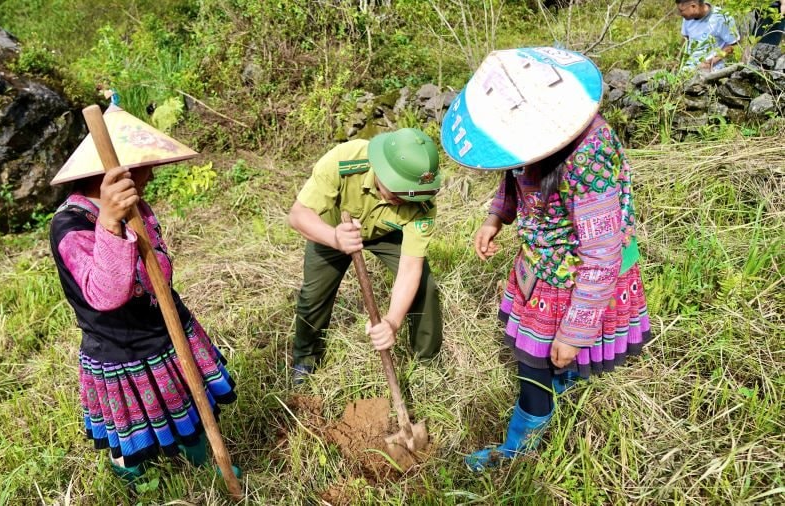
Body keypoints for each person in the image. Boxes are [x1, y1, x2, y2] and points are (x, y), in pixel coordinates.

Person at [441, 47, 651, 470]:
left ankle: (518, 450)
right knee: (540, 360)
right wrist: (495, 217)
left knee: (535, 368)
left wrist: (576, 330)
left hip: (576, 278)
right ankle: (553, 392)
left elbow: (602, 252)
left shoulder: (589, 156)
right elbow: (514, 176)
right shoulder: (524, 143)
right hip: (540, 263)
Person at [49, 153, 236, 481]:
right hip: (123, 348)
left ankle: (199, 454)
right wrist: (109, 223)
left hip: (167, 327)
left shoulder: (138, 206)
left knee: (186, 403)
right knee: (132, 434)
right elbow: (106, 294)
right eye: (145, 165)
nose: (151, 172)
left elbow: (158, 268)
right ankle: (131, 475)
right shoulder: (71, 225)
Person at [288, 128, 444, 385]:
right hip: (334, 230)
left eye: (408, 196)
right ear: (382, 171)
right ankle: (306, 360)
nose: (401, 201)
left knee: (425, 287)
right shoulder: (345, 160)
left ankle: (426, 363)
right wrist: (335, 238)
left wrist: (392, 322)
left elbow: (409, 269)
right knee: (313, 296)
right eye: (396, 193)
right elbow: (297, 215)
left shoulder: (422, 201)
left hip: (387, 233)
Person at [676, 0, 740, 71]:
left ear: (693, 6)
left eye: (681, 11)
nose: (679, 14)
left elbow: (733, 45)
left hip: (712, 69)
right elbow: (685, 40)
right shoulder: (687, 18)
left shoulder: (721, 17)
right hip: (689, 67)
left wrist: (711, 62)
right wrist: (678, 61)